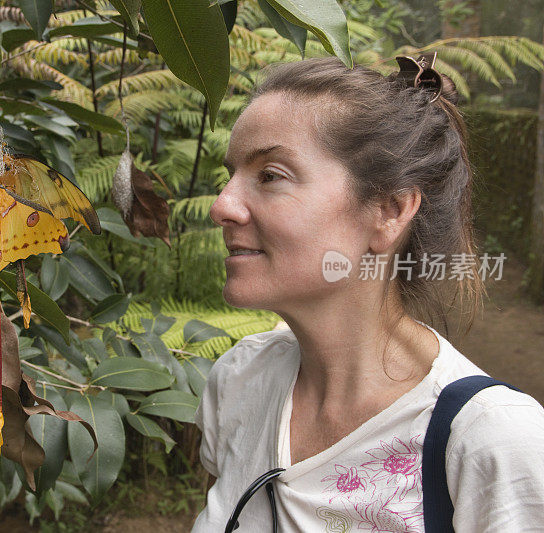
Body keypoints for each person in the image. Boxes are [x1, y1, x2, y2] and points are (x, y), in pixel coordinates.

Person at [192, 56, 544, 532]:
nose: (222, 206)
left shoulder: (492, 442)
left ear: (390, 209)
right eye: (230, 175)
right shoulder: (239, 380)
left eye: (271, 175)